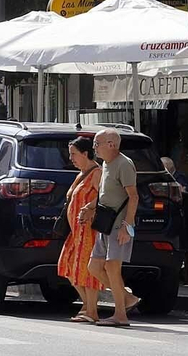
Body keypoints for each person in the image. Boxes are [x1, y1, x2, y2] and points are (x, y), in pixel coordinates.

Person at [82, 128, 140, 327]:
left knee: (112, 268)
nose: (94, 148)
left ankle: (121, 315)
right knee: (94, 267)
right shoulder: (106, 164)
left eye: (97, 144)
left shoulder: (124, 164)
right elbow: (105, 194)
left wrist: (127, 226)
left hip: (118, 225)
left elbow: (133, 196)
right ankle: (126, 298)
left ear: (111, 145)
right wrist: (91, 207)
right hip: (105, 224)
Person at [58, 136, 104, 324]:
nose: (71, 158)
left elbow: (104, 196)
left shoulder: (97, 173)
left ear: (86, 154)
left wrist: (90, 207)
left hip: (88, 230)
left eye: (74, 154)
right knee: (67, 266)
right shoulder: (82, 174)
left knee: (87, 270)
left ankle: (91, 310)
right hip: (76, 231)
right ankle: (87, 305)